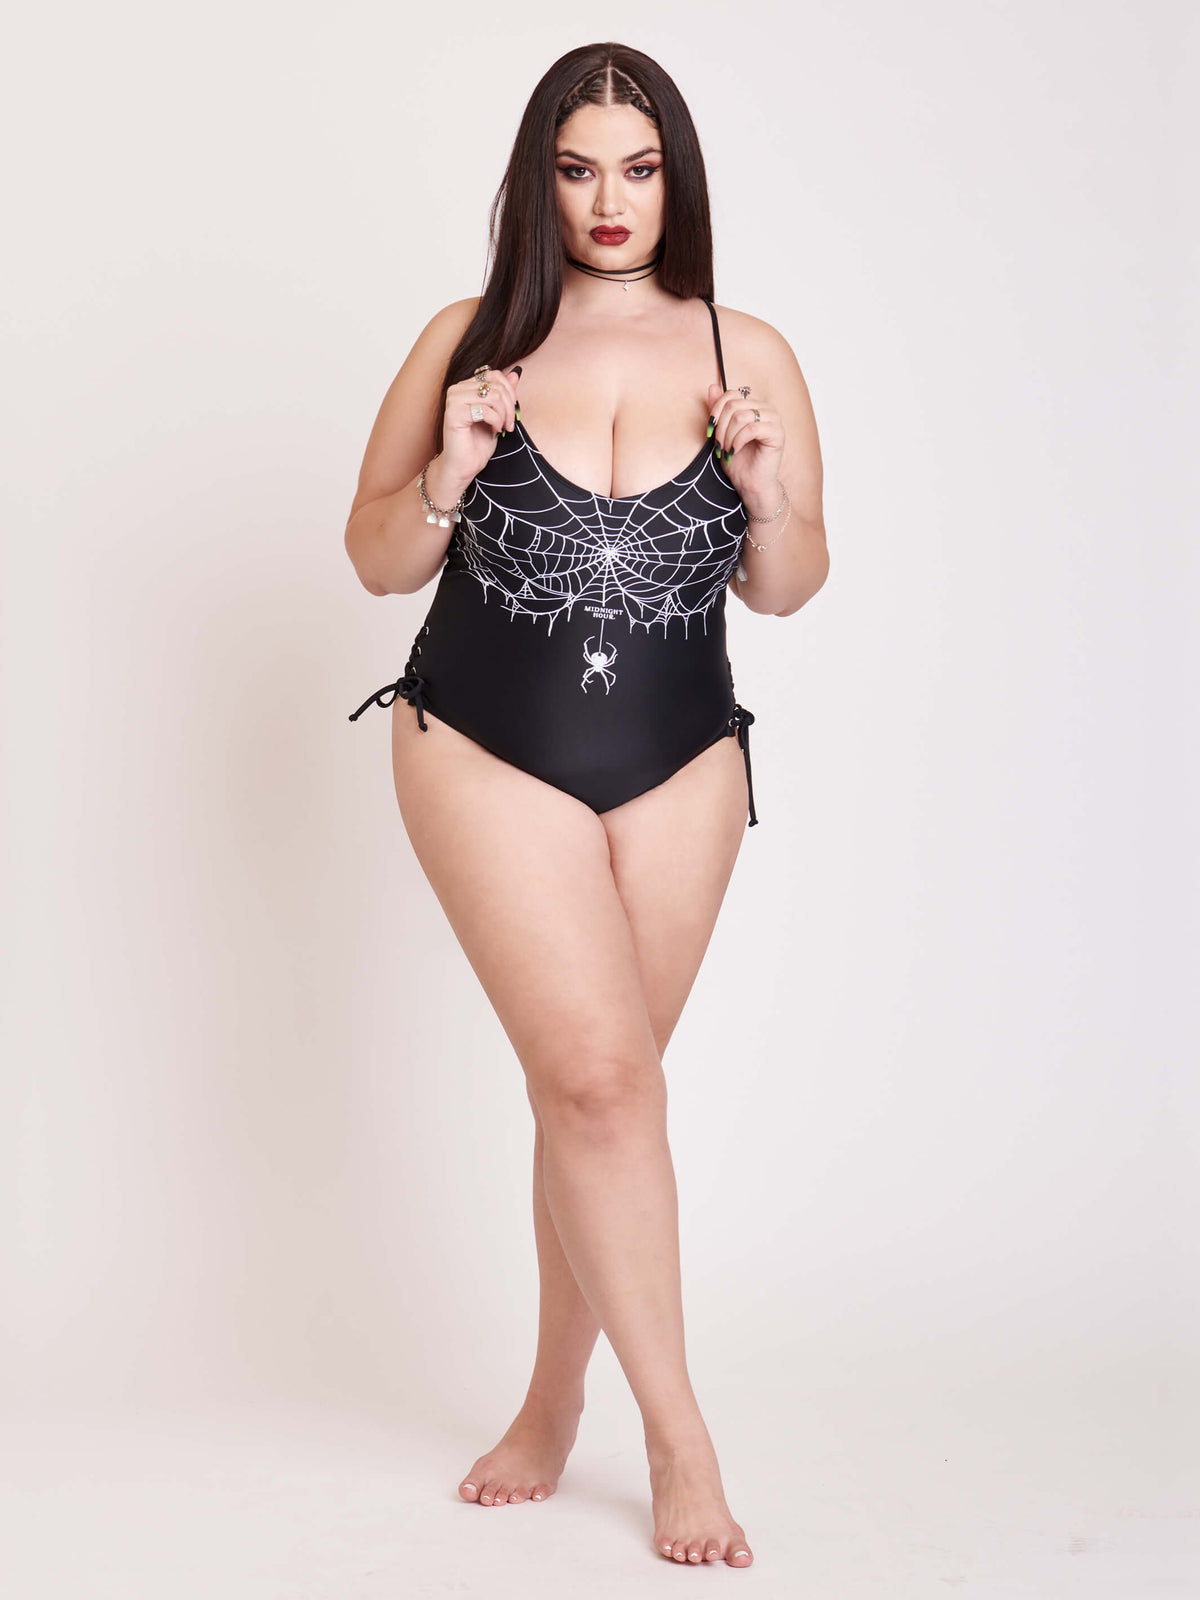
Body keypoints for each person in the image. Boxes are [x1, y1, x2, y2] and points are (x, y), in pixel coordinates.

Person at [343, 41, 828, 1568]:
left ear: (676, 178)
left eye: (637, 166)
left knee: (595, 1100)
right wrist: (450, 468)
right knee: (604, 1087)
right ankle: (681, 1443)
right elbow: (374, 560)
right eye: (575, 168)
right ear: (535, 182)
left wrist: (765, 490)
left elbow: (788, 586)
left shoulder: (746, 349)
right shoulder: (469, 337)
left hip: (681, 760)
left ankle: (552, 1401)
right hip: (481, 741)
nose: (608, 200)